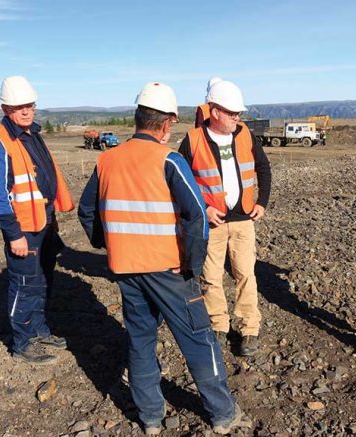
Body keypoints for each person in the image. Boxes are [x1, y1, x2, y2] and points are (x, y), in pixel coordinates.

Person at [77, 82, 251, 435]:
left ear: (138, 116)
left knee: (140, 342)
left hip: (126, 269)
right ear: (167, 123)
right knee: (199, 338)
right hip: (170, 271)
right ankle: (222, 414)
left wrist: (110, 245)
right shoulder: (168, 159)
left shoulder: (107, 159)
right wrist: (190, 262)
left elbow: (86, 211)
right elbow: (197, 216)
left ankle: (151, 419)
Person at [0, 75, 74, 365]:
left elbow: (42, 179)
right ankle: (22, 342)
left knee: (43, 279)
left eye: (30, 105)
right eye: (18, 106)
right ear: (5, 107)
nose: (25, 111)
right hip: (22, 227)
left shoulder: (32, 133)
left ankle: (39, 330)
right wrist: (13, 234)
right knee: (24, 283)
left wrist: (52, 217)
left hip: (44, 220)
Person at [178, 80, 271, 356]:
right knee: (211, 276)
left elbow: (263, 169)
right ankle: (218, 324)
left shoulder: (245, 135)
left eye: (239, 113)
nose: (237, 118)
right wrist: (202, 210)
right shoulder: (193, 140)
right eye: (232, 113)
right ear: (215, 111)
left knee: (246, 274)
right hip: (212, 222)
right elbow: (182, 183)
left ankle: (248, 329)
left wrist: (262, 202)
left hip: (243, 220)